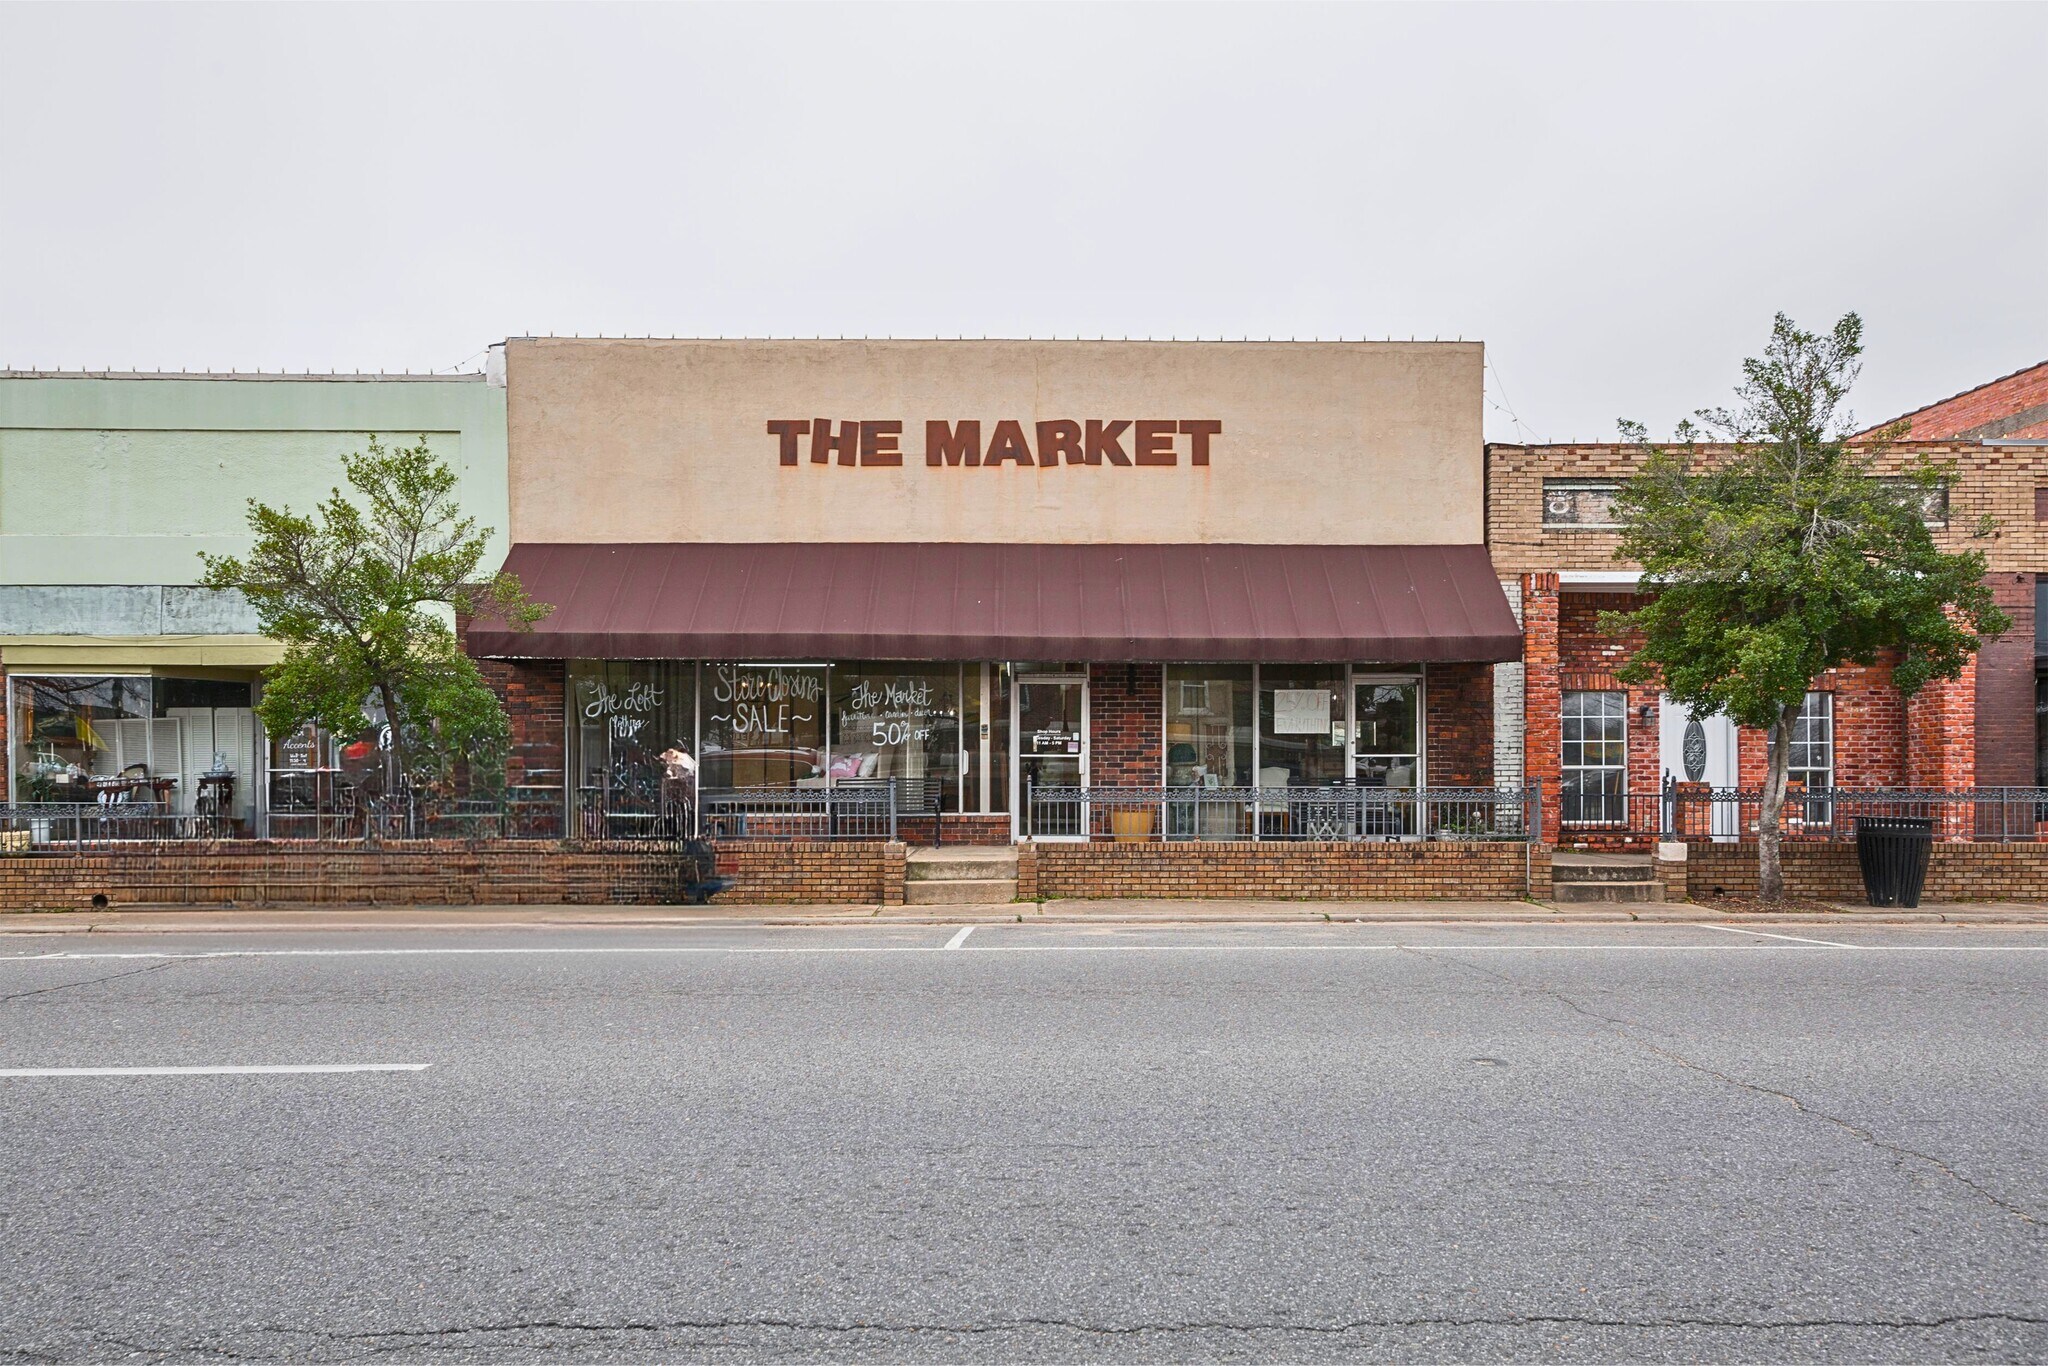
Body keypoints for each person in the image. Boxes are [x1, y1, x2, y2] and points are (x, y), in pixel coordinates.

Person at [659, 744, 697, 836]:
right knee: (677, 812)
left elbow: (687, 773)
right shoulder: (675, 763)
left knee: (685, 812)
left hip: (685, 792)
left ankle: (684, 833)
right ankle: (677, 832)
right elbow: (670, 772)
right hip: (678, 793)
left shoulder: (683, 760)